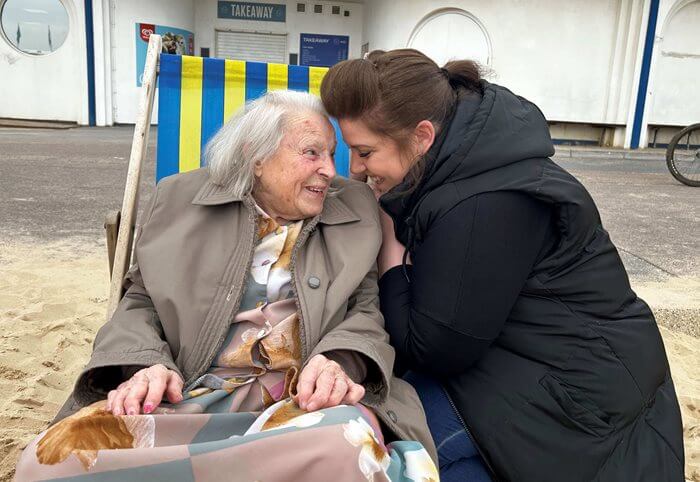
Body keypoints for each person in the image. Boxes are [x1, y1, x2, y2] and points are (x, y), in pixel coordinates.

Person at [15, 90, 439, 482]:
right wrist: (145, 363)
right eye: (312, 153)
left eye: (331, 153)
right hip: (189, 394)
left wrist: (339, 359)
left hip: (301, 407)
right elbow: (140, 300)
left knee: (345, 447)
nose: (330, 170)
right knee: (50, 459)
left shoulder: (355, 207)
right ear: (255, 156)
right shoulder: (180, 198)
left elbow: (366, 308)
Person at [320, 49, 685, 482]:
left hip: (583, 397)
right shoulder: (469, 163)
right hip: (550, 358)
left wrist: (391, 258)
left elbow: (433, 348)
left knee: (392, 449)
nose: (355, 170)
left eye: (365, 152)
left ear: (421, 136)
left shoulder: (484, 205)